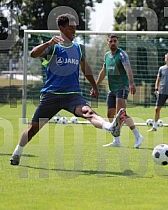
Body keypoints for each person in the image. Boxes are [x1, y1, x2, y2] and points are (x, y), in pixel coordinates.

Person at [9, 14, 126, 166]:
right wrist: (48, 43)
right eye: (71, 28)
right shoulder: (53, 47)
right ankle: (17, 152)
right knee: (33, 129)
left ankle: (110, 127)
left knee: (88, 112)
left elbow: (85, 68)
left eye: (75, 28)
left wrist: (94, 86)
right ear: (61, 28)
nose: (74, 31)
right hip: (51, 95)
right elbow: (33, 54)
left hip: (72, 95)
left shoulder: (78, 48)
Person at [95, 34, 144, 148]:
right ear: (108, 42)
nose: (113, 43)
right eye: (110, 41)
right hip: (112, 89)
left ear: (118, 42)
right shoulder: (107, 55)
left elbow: (128, 69)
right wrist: (95, 85)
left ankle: (138, 136)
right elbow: (103, 71)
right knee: (110, 114)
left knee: (121, 114)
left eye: (115, 41)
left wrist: (131, 83)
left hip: (122, 87)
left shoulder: (122, 54)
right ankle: (116, 140)